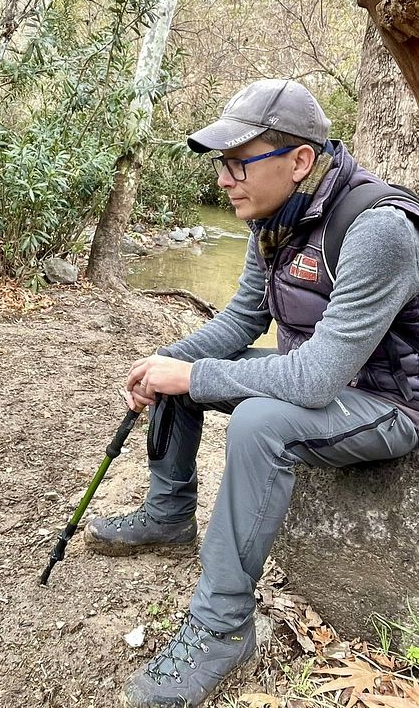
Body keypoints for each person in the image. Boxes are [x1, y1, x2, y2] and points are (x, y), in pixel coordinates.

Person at [84, 79, 419, 708]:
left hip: (391, 401)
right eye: (221, 163)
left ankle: (222, 627)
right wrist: (168, 363)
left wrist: (194, 376)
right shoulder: (274, 217)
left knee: (258, 421)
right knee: (187, 368)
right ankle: (169, 514)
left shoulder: (378, 228)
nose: (224, 180)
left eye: (239, 162)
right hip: (326, 378)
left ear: (299, 160)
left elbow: (316, 378)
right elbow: (242, 320)